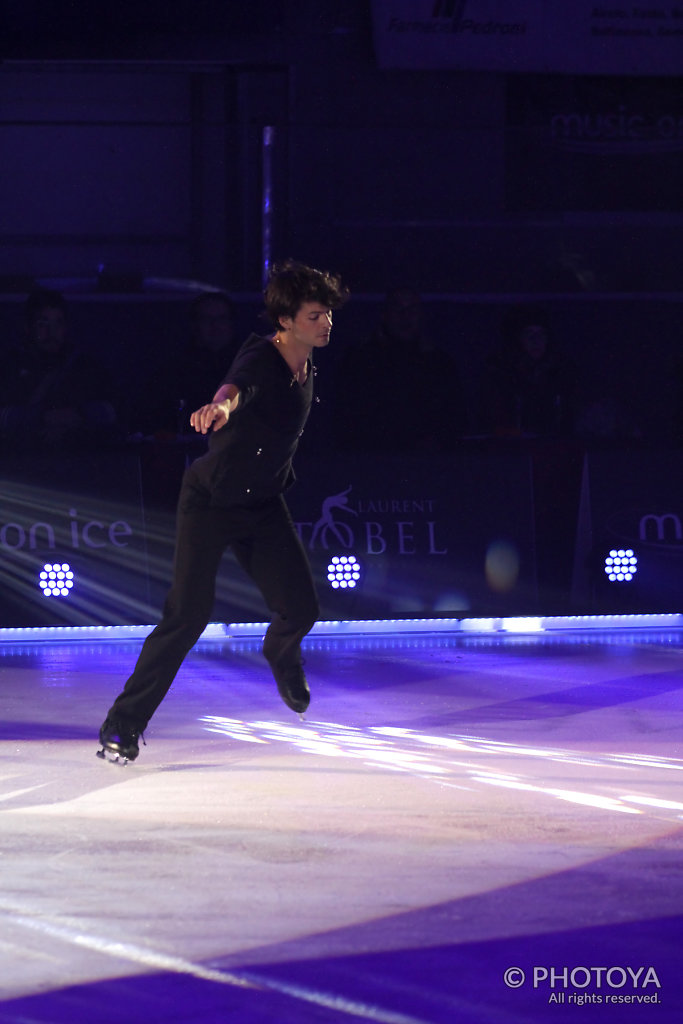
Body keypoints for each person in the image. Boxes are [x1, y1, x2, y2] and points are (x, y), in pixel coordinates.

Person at [97, 260, 349, 762]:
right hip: (212, 501)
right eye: (316, 315)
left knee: (303, 608)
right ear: (286, 320)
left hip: (262, 503)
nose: (327, 324)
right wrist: (220, 408)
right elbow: (237, 387)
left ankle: (279, 652)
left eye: (327, 315)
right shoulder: (261, 355)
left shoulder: (306, 361)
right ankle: (122, 724)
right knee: (188, 616)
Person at [334, 287, 467, 452]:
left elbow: (454, 415)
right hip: (371, 458)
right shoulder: (360, 359)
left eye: (412, 309)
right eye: (398, 308)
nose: (405, 316)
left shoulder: (438, 362)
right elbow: (345, 414)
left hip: (425, 462)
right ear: (385, 314)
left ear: (421, 315)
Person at [0, 288, 120, 451]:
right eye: (43, 324)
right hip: (22, 463)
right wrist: (42, 417)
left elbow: (114, 411)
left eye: (58, 323)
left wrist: (78, 416)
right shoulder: (10, 367)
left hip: (79, 464)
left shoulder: (83, 366)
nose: (52, 332)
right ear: (28, 328)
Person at [481, 304, 577, 438]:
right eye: (529, 333)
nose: (536, 341)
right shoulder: (500, 372)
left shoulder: (562, 371)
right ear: (518, 338)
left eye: (541, 333)